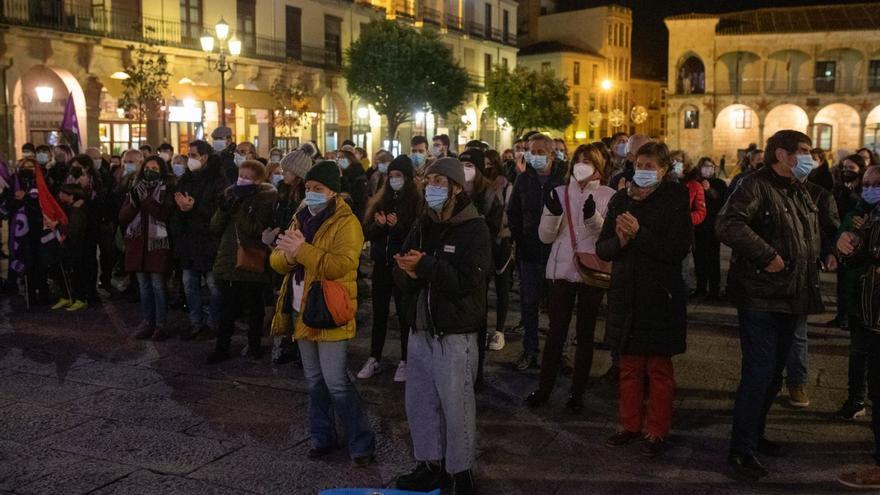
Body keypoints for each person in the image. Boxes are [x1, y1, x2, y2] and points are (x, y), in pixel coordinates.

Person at [717, 130, 823, 481]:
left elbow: (807, 234)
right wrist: (767, 256)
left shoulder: (798, 189)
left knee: (774, 374)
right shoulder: (754, 184)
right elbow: (728, 224)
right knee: (758, 373)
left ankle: (755, 436)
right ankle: (740, 450)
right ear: (782, 154)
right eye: (804, 151)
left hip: (792, 296)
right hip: (761, 296)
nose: (810, 157)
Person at [393, 157, 490, 495]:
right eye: (428, 180)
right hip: (420, 327)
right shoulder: (422, 224)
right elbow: (402, 268)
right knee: (419, 402)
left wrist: (427, 266)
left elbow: (470, 279)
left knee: (457, 405)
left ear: (455, 188)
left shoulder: (474, 228)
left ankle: (460, 473)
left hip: (454, 331)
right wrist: (406, 272)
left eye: (438, 181)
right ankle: (429, 464)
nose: (430, 187)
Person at [270, 160, 376, 466]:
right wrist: (289, 257)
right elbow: (276, 260)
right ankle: (321, 436)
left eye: (318, 189)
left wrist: (301, 251)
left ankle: (361, 442)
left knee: (336, 381)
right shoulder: (299, 217)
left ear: (333, 192)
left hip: (329, 308)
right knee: (313, 380)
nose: (311, 194)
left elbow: (340, 265)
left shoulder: (347, 222)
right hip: (300, 306)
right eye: (308, 189)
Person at [597, 142, 691, 458]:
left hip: (660, 295)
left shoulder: (675, 198)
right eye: (640, 164)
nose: (644, 171)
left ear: (664, 170)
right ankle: (628, 425)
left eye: (651, 166)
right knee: (629, 366)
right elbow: (603, 248)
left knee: (659, 369)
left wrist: (640, 235)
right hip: (626, 292)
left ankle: (657, 428)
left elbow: (676, 250)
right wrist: (620, 240)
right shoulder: (621, 198)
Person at [525, 144, 615, 412]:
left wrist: (593, 219)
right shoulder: (559, 193)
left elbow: (607, 238)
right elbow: (545, 237)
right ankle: (544, 389)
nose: (581, 164)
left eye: (588, 160)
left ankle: (577, 393)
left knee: (585, 334)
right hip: (563, 269)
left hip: (591, 269)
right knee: (556, 332)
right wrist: (552, 214)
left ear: (598, 166)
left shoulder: (609, 196)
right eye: (578, 159)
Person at [835, 166, 880, 489]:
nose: (870, 189)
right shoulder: (870, 212)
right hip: (870, 312)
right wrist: (850, 241)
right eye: (867, 184)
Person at [207, 159, 277, 362]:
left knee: (255, 308)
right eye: (241, 176)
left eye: (248, 177)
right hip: (228, 260)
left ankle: (254, 345)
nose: (242, 180)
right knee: (226, 309)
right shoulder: (230, 194)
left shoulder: (265, 199)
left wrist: (238, 210)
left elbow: (256, 229)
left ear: (258, 181)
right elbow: (215, 227)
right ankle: (222, 348)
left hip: (252, 259)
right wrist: (224, 209)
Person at [358, 155, 420, 382]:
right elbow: (368, 233)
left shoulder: (415, 201)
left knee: (404, 315)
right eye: (391, 176)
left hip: (401, 265)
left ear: (407, 178)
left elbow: (416, 235)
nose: (394, 179)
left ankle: (405, 360)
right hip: (381, 266)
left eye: (398, 176)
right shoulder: (381, 200)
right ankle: (374, 357)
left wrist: (400, 226)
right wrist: (379, 225)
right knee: (379, 314)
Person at [508, 133, 565, 370]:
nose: (535, 156)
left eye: (541, 151)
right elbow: (514, 213)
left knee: (558, 307)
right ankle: (530, 349)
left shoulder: (564, 178)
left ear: (552, 154)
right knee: (529, 303)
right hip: (530, 251)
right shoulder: (524, 180)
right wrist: (519, 240)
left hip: (557, 252)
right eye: (532, 151)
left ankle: (558, 352)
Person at [170, 140, 228, 340]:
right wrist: (182, 208)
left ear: (204, 157)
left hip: (209, 241)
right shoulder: (186, 179)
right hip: (189, 241)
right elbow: (176, 207)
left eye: (193, 155)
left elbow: (220, 211)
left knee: (213, 285)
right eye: (189, 156)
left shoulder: (218, 180)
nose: (190, 160)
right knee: (189, 283)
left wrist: (195, 207)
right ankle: (196, 323)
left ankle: (213, 323)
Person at [119, 155, 175, 340]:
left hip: (158, 244)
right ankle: (147, 322)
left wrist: (145, 200)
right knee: (143, 285)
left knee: (158, 285)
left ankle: (161, 324)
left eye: (155, 168)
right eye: (148, 168)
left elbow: (163, 214)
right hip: (137, 243)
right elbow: (123, 216)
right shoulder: (135, 188)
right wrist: (135, 201)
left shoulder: (167, 189)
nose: (150, 171)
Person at [459, 147, 503, 384]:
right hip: (456, 261)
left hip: (478, 263)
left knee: (477, 315)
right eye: (462, 166)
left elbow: (493, 230)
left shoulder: (489, 194)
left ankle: (476, 372)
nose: (465, 171)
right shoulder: (453, 189)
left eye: (470, 166)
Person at [829, 154, 867, 329]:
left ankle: (853, 316)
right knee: (842, 282)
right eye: (844, 168)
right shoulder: (839, 188)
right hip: (840, 235)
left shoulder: (863, 191)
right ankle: (842, 315)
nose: (847, 171)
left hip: (857, 241)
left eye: (851, 168)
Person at [485, 149, 514, 351]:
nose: (487, 167)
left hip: (502, 240)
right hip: (483, 241)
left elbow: (510, 213)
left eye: (490, 163)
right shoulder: (476, 187)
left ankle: (499, 330)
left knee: (502, 288)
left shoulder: (506, 186)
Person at [49, 184, 90, 311]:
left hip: (77, 248)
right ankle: (67, 297)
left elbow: (73, 230)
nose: (60, 195)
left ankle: (80, 299)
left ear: (71, 196)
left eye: (63, 193)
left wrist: (57, 226)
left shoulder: (77, 210)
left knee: (77, 273)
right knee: (67, 272)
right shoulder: (70, 207)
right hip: (71, 247)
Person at [691, 157, 727, 299]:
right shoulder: (695, 183)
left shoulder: (719, 183)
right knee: (699, 259)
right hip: (698, 227)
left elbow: (722, 201)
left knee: (713, 259)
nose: (708, 168)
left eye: (711, 166)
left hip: (713, 227)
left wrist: (709, 190)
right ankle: (700, 287)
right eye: (705, 166)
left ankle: (714, 290)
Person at [337, 149, 369, 221]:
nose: (339, 160)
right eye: (338, 158)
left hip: (356, 213)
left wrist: (349, 196)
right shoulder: (341, 173)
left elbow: (361, 198)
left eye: (342, 157)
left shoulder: (358, 173)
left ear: (350, 159)